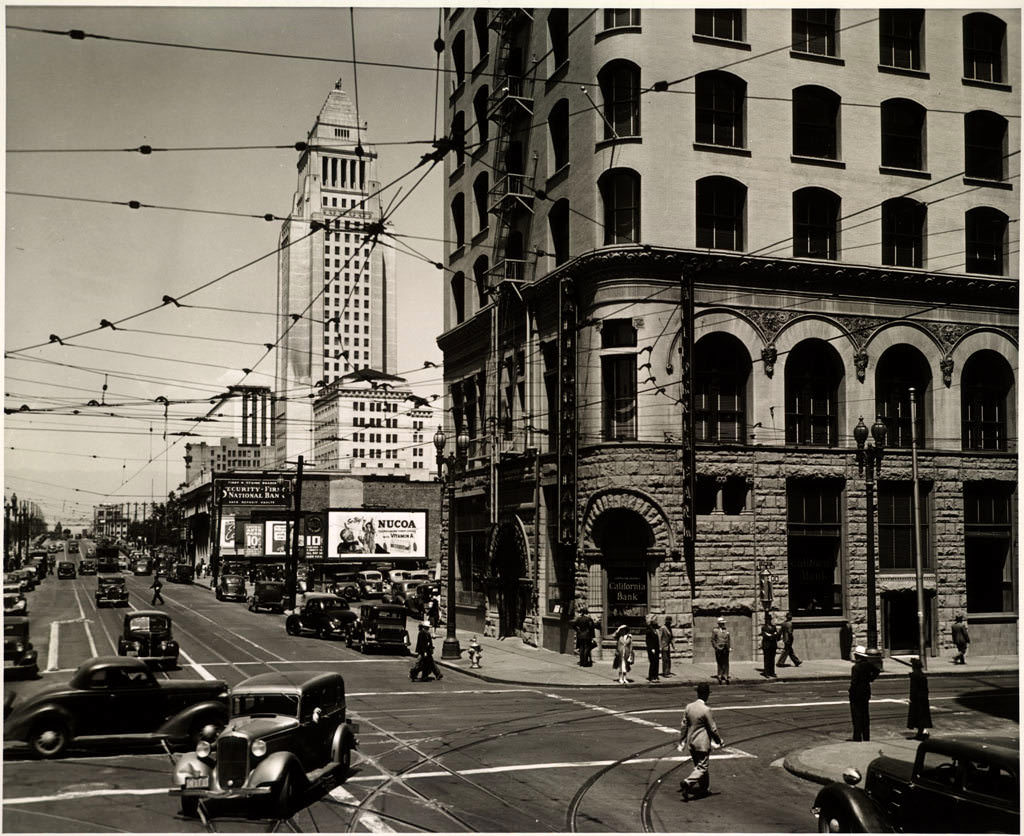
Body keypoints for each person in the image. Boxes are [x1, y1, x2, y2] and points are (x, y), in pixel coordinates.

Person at [678, 682, 724, 801]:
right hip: (702, 743)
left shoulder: (689, 707)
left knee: (699, 766)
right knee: (702, 767)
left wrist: (682, 740)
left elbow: (684, 725)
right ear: (706, 695)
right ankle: (688, 782)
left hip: (691, 742)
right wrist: (719, 740)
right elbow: (712, 728)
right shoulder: (706, 710)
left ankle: (704, 789)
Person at [849, 645, 879, 741]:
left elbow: (854, 682)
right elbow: (877, 671)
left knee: (856, 715)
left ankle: (857, 736)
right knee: (865, 714)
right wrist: (870, 679)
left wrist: (851, 691)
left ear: (858, 656)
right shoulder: (868, 665)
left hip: (856, 693)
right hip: (866, 691)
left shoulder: (855, 668)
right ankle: (866, 736)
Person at [906, 657, 932, 740]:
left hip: (917, 699)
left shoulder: (914, 676)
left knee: (916, 716)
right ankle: (921, 732)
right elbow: (926, 689)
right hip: (923, 698)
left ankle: (921, 733)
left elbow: (913, 689)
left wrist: (911, 698)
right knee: (922, 715)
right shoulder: (922, 676)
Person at [711, 617, 731, 684]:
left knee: (726, 662)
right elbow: (713, 640)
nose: (723, 625)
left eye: (723, 623)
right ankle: (719, 675)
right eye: (721, 623)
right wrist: (716, 647)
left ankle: (725, 675)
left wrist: (729, 647)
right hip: (719, 648)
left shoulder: (726, 630)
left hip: (725, 648)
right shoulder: (715, 630)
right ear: (719, 624)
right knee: (719, 662)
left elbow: (728, 640)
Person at [760, 613, 779, 678]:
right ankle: (766, 672)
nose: (768, 620)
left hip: (773, 645)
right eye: (767, 619)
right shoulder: (764, 627)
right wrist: (772, 635)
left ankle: (772, 672)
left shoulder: (774, 627)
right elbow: (765, 636)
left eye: (769, 619)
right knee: (767, 659)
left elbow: (776, 635)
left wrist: (771, 635)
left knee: (772, 659)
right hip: (766, 646)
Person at [645, 616, 661, 682]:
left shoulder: (656, 629)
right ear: (652, 621)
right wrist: (651, 648)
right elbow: (648, 640)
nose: (657, 621)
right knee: (653, 662)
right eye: (655, 620)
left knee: (657, 662)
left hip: (656, 648)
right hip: (652, 649)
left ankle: (655, 675)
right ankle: (651, 676)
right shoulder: (649, 629)